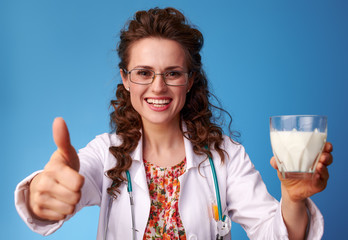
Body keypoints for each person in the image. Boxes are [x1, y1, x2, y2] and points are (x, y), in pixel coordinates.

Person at [15, 7, 333, 240]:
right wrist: (42, 193)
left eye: (172, 73)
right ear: (125, 79)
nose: (158, 87)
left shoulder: (225, 156)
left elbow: (274, 233)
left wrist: (294, 199)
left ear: (190, 79)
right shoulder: (105, 154)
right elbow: (60, 187)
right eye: (143, 73)